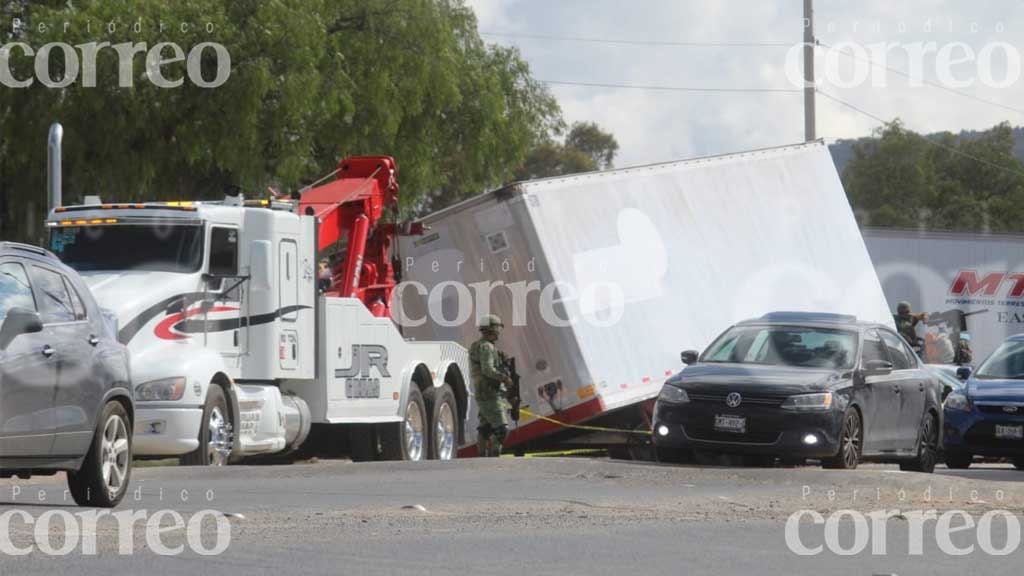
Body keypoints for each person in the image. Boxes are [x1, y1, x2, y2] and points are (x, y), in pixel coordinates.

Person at [469, 314, 513, 457]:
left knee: (485, 428)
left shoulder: (479, 346)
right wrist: (504, 378)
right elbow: (488, 369)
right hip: (490, 393)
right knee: (502, 429)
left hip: (484, 392)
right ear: (492, 329)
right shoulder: (487, 347)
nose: (499, 332)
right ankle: (494, 456)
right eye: (497, 329)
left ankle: (482, 457)